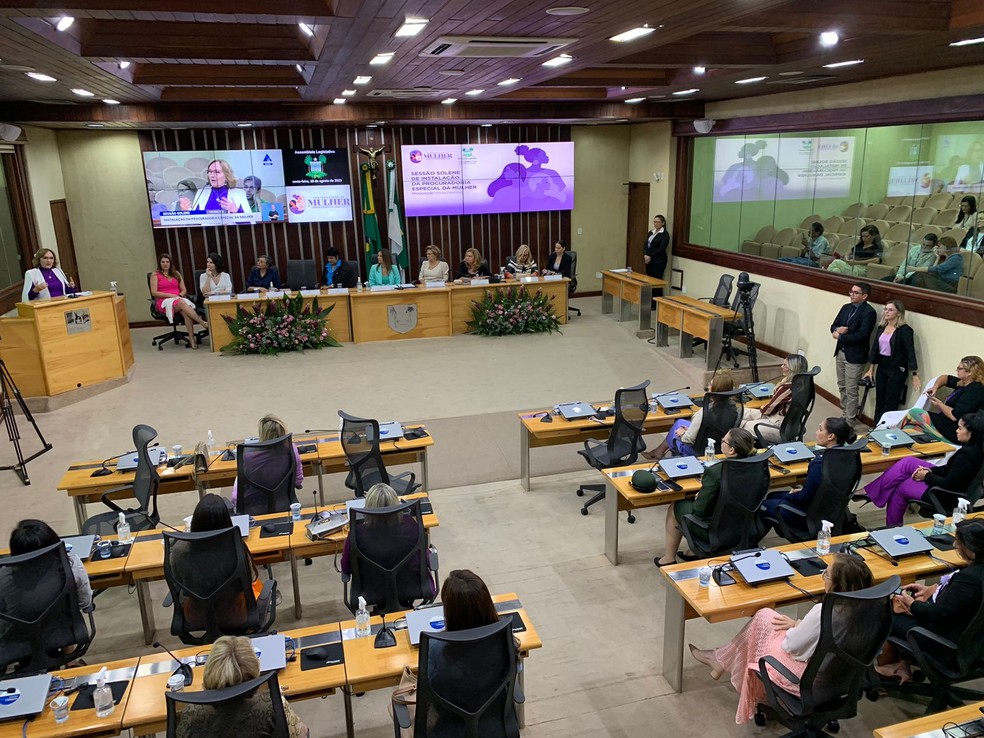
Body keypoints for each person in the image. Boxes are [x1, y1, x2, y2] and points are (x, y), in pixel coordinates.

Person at [688, 554, 874, 724]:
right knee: (768, 619)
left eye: (826, 574)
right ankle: (721, 658)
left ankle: (730, 668)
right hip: (842, 679)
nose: (823, 576)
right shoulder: (867, 612)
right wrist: (799, 624)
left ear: (838, 585)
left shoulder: (824, 613)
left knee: (763, 620)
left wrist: (797, 627)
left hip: (809, 682)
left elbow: (792, 645)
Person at [875, 518, 984, 683]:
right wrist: (932, 591)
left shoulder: (969, 580)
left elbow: (938, 614)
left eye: (959, 543)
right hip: (973, 642)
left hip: (945, 646)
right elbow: (960, 603)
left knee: (884, 613)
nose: (955, 546)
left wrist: (912, 604)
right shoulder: (976, 575)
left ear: (972, 551)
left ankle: (889, 674)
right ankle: (903, 661)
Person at [858, 411, 984, 526]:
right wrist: (931, 471)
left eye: (960, 428)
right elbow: (949, 469)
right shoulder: (974, 447)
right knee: (908, 461)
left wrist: (927, 476)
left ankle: (893, 528)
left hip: (945, 493)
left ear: (971, 432)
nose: (956, 430)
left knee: (900, 487)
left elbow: (950, 483)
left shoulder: (968, 455)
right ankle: (870, 492)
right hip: (945, 479)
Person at [654, 427, 756, 567]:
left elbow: (700, 511)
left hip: (716, 529)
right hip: (745, 524)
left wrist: (700, 496)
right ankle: (692, 552)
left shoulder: (716, 472)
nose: (721, 443)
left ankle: (668, 558)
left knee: (676, 505)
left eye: (723, 441)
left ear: (731, 450)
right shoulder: (757, 466)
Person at [175, 635, 308, 738]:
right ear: (254, 671)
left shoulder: (191, 712)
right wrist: (275, 698)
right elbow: (302, 733)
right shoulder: (272, 706)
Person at [171, 494, 265, 629]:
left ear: (195, 521)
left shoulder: (179, 550)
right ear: (227, 520)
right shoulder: (236, 548)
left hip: (196, 616)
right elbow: (249, 580)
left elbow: (178, 581)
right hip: (236, 615)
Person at [757, 417, 857, 533]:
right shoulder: (851, 457)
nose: (816, 432)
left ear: (831, 436)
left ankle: (751, 542)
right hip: (832, 509)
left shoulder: (819, 464)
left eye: (820, 429)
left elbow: (804, 498)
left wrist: (792, 494)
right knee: (772, 496)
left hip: (811, 515)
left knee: (765, 504)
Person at [340, 483, 436, 601]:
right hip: (414, 587)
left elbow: (346, 568)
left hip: (370, 593)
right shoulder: (411, 525)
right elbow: (425, 558)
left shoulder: (357, 534)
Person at [643, 373, 753, 460]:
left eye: (710, 384)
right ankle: (658, 451)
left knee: (677, 431)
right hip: (720, 445)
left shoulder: (703, 413)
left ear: (713, 390)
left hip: (700, 451)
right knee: (680, 422)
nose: (708, 386)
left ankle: (660, 452)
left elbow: (688, 440)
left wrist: (683, 434)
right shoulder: (735, 409)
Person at [7, 519, 91, 612]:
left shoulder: (6, 577)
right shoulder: (72, 565)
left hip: (18, 626)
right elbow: (85, 602)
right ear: (55, 544)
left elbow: (10, 611)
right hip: (64, 624)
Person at [903, 356, 984, 443]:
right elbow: (945, 378)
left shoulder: (974, 390)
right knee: (911, 426)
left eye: (960, 368)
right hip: (945, 420)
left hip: (955, 429)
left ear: (969, 372)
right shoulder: (964, 382)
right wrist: (935, 387)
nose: (957, 370)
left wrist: (940, 405)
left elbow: (954, 416)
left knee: (915, 414)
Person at [231, 414, 304, 510]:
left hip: (254, 510)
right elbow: (298, 481)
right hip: (284, 506)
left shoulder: (248, 457)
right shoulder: (292, 450)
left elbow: (236, 498)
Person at [863, 300, 920, 422]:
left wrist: (914, 373)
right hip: (882, 366)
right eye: (885, 309)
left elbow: (910, 352)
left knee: (891, 399)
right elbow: (875, 349)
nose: (886, 312)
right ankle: (877, 424)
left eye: (890, 310)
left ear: (899, 313)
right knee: (880, 398)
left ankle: (886, 426)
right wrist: (870, 368)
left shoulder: (905, 330)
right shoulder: (881, 327)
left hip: (897, 368)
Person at [830, 281, 876, 424]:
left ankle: (850, 421)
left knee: (851, 389)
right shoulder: (846, 308)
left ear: (865, 296)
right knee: (842, 385)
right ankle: (844, 414)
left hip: (855, 356)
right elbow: (834, 325)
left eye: (856, 292)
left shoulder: (869, 312)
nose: (852, 294)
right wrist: (836, 330)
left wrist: (841, 336)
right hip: (841, 352)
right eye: (851, 291)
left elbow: (862, 335)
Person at [740, 354, 810, 443]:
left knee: (745, 424)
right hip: (793, 424)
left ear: (792, 369)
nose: (781, 367)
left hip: (781, 426)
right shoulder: (805, 385)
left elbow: (768, 410)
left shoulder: (787, 388)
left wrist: (760, 408)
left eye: (785, 365)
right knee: (743, 412)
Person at [151, 253, 208, 347]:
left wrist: (179, 295)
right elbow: (154, 292)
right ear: (159, 263)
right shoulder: (155, 275)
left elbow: (184, 290)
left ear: (170, 263)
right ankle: (202, 322)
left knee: (186, 312)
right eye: (163, 262)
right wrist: (171, 295)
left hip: (178, 299)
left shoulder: (176, 274)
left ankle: (192, 340)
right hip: (164, 301)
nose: (165, 264)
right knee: (182, 303)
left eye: (167, 262)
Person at [644, 215, 670, 290]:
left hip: (658, 260)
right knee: (649, 280)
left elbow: (661, 249)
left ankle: (656, 300)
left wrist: (650, 256)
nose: (656, 224)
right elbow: (646, 244)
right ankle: (649, 300)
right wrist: (645, 254)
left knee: (656, 281)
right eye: (654, 222)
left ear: (663, 223)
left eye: (658, 222)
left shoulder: (664, 234)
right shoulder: (651, 232)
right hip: (649, 260)